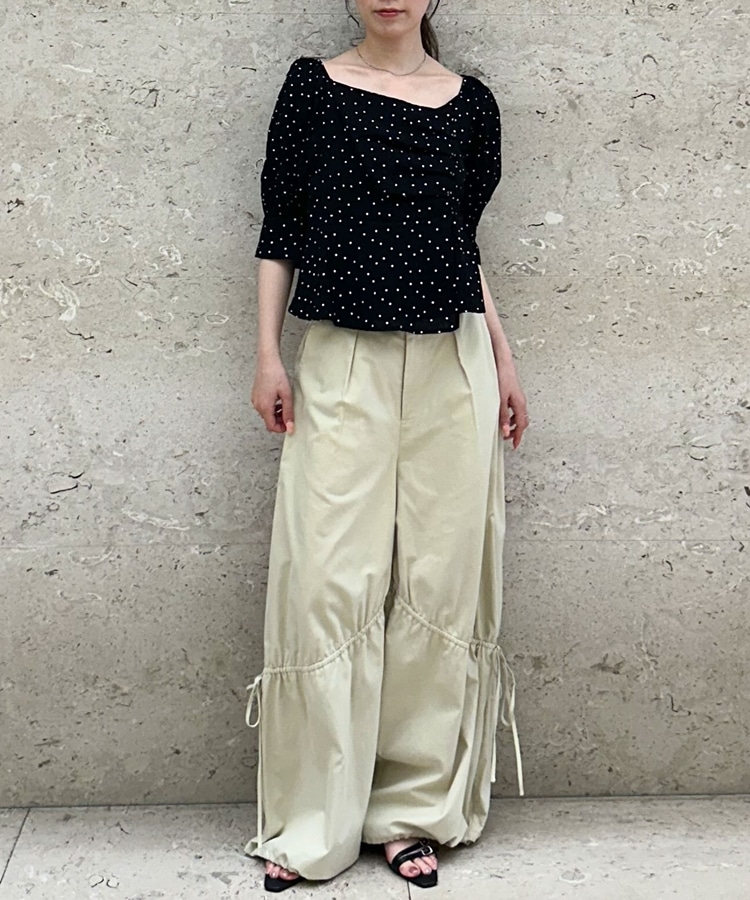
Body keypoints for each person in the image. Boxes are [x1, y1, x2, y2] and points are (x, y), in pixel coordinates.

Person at [245, 0, 529, 892]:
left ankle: (411, 814)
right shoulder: (313, 88)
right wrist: (267, 355)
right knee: (328, 580)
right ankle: (313, 823)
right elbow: (281, 230)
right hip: (341, 354)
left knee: (437, 581)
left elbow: (462, 243)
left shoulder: (472, 105)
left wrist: (505, 359)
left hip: (453, 359)